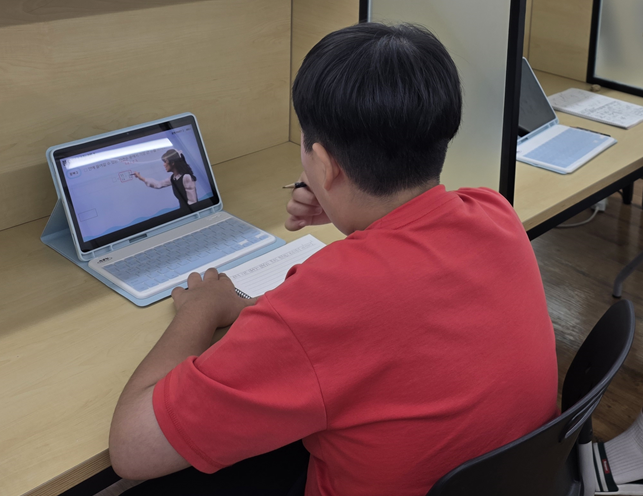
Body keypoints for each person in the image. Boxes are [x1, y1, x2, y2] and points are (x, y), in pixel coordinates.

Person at [109, 22, 558, 496]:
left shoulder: (326, 297)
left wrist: (200, 309)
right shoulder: (494, 212)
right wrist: (347, 205)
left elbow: (132, 449)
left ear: (324, 164)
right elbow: (386, 320)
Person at [134, 148, 198, 209]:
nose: (164, 164)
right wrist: (141, 178)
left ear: (172, 163)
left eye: (165, 162)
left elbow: (193, 203)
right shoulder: (173, 178)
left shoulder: (186, 177)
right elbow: (158, 184)